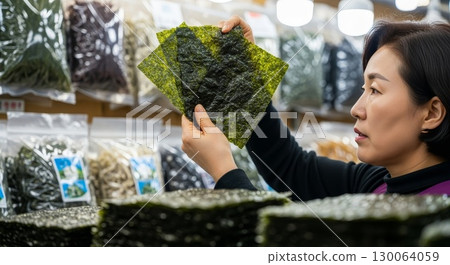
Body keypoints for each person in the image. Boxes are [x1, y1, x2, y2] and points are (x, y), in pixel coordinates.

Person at [181, 16, 450, 200]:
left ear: (432, 113)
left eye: (375, 90)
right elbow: (292, 168)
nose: (356, 109)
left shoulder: (434, 221)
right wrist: (246, 82)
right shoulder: (377, 182)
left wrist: (225, 173)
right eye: (362, 90)